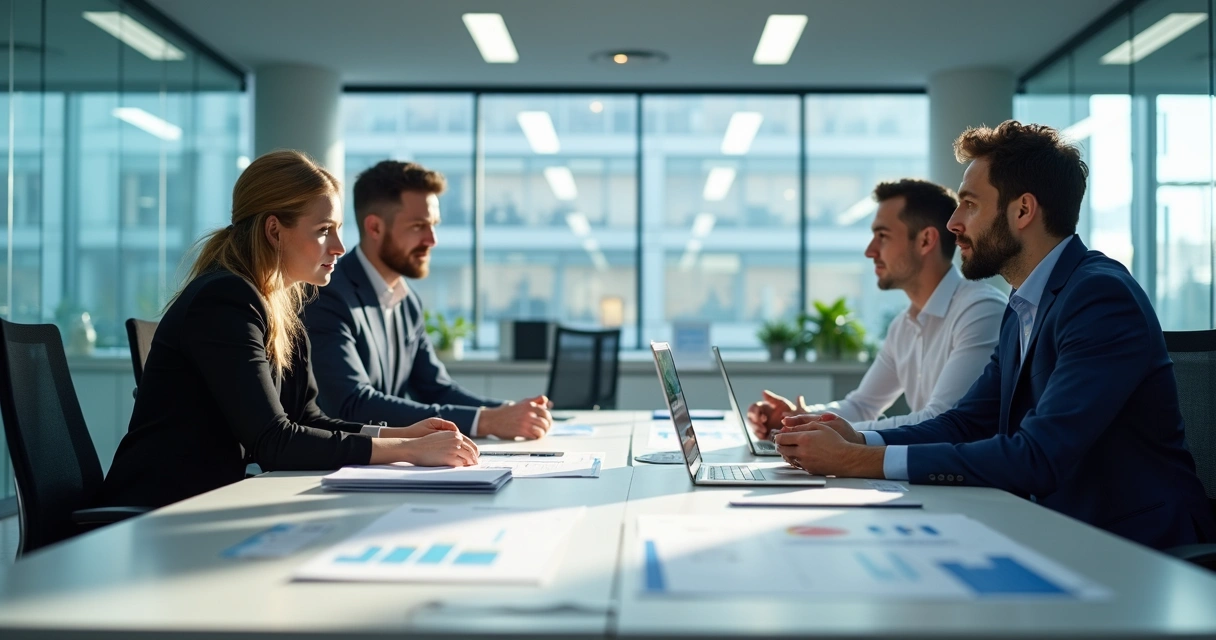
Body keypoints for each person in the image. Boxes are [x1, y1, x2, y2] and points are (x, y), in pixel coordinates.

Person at [776, 121, 1216, 550]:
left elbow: (1038, 457)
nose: (953, 222)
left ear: (1022, 210)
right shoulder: (1024, 303)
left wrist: (856, 460)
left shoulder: (1098, 297)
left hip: (1134, 548)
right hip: (1059, 530)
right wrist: (858, 438)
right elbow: (966, 422)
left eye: (969, 204)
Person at [96, 151, 479, 509]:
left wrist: (403, 434)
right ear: (274, 231)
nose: (340, 247)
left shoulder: (282, 304)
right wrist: (407, 452)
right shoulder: (225, 299)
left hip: (205, 504)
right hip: (155, 511)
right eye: (324, 230)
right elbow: (274, 441)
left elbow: (308, 417)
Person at [304, 160, 552, 439]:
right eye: (418, 226)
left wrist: (508, 411)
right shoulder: (328, 295)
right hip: (330, 470)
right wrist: (485, 421)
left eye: (433, 225)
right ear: (374, 227)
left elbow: (435, 388)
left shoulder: (407, 302)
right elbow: (351, 404)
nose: (432, 239)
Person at [748, 179, 1005, 436]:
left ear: (926, 240)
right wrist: (795, 419)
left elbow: (940, 420)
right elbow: (861, 406)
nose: (870, 251)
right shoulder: (904, 325)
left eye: (882, 236)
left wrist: (823, 429)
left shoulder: (980, 311)